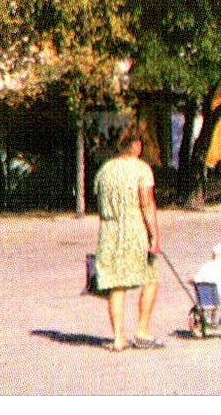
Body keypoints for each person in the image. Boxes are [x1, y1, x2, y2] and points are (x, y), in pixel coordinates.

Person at [94, 123, 162, 352]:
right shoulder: (141, 169)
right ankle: (142, 330)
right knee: (151, 277)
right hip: (134, 229)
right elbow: (146, 202)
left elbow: (100, 203)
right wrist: (154, 235)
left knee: (116, 284)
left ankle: (118, 338)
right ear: (135, 145)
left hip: (109, 231)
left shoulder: (105, 170)